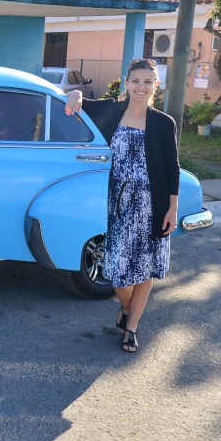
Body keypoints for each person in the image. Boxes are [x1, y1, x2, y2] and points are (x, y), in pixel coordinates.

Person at [64, 59, 180, 353]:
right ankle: (127, 308)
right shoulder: (111, 111)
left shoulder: (164, 123)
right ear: (126, 83)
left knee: (147, 268)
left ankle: (131, 326)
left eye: (148, 82)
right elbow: (80, 103)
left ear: (156, 86)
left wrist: (172, 209)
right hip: (118, 206)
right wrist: (75, 94)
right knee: (118, 272)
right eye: (136, 81)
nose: (141, 87)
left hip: (153, 204)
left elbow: (172, 167)